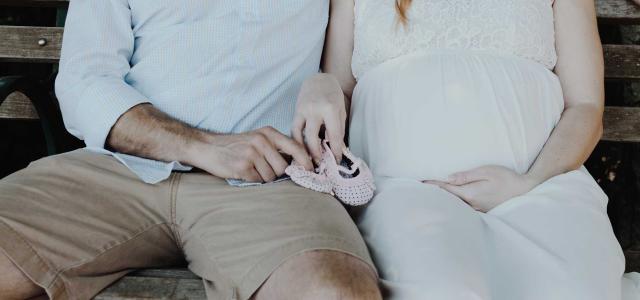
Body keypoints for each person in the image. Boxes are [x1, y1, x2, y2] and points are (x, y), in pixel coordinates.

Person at [0, 1, 382, 299]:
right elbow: (84, 81)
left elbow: (343, 66)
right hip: (118, 171)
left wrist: (326, 84)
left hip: (272, 182)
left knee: (337, 292)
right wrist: (204, 147)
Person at [319, 0, 639, 299]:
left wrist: (529, 181)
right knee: (437, 286)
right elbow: (336, 92)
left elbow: (585, 105)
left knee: (570, 288)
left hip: (540, 187)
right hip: (403, 191)